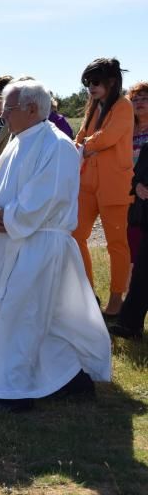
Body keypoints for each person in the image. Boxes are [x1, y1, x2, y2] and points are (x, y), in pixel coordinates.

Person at [0, 79, 112, 412]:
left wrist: (8, 217)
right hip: (11, 242)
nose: (3, 116)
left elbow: (48, 197)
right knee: (43, 318)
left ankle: (15, 392)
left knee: (21, 315)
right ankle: (71, 379)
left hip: (38, 244)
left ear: (31, 109)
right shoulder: (17, 143)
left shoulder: (56, 146)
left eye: (8, 109)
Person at [72, 57, 134, 317]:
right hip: (87, 184)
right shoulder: (93, 107)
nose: (91, 87)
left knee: (116, 244)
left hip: (115, 186)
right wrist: (81, 149)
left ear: (112, 81)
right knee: (75, 237)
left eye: (95, 82)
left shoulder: (123, 106)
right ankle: (87, 294)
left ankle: (117, 299)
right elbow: (80, 139)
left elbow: (107, 138)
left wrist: (85, 148)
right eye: (87, 83)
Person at [109, 133, 148, 340]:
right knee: (142, 275)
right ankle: (130, 325)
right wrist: (139, 187)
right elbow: (135, 179)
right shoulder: (147, 149)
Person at [127, 82, 148, 263]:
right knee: (132, 242)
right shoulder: (125, 130)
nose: (139, 102)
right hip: (129, 190)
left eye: (144, 98)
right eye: (135, 99)